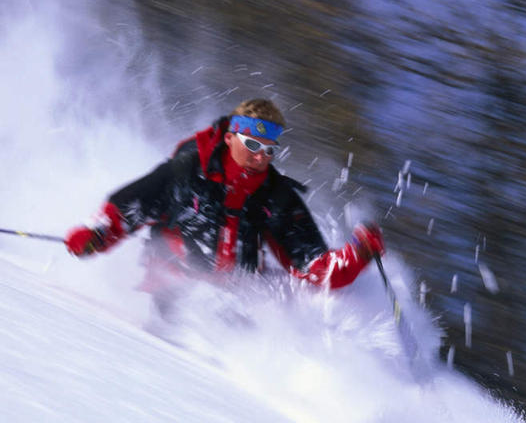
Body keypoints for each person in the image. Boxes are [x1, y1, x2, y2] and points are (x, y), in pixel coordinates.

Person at [65, 98, 384, 313]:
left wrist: (357, 256)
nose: (261, 157)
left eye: (269, 150)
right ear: (231, 137)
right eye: (253, 145)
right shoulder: (187, 172)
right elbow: (130, 208)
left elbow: (312, 265)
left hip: (237, 297)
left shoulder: (275, 196)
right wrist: (96, 236)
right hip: (172, 286)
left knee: (293, 306)